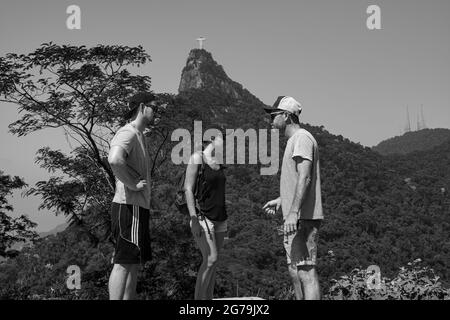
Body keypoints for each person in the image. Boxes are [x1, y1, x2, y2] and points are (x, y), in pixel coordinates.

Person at [262, 96, 324, 300]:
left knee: (306, 272)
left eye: (274, 115)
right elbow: (298, 179)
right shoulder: (293, 141)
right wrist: (282, 200)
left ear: (287, 116)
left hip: (302, 218)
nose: (271, 119)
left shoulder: (301, 138)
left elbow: (305, 178)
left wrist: (294, 212)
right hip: (295, 218)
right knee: (296, 271)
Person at [107, 92, 165, 300]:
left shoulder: (140, 136)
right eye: (154, 108)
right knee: (123, 263)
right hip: (127, 207)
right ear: (142, 107)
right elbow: (114, 160)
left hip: (137, 208)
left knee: (133, 263)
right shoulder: (128, 132)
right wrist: (132, 184)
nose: (156, 112)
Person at [184, 132, 228, 300]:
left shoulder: (219, 163)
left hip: (221, 218)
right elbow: (188, 189)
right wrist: (193, 218)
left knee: (214, 264)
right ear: (211, 139)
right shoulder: (197, 158)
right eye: (222, 138)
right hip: (203, 216)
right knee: (210, 259)